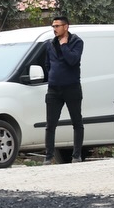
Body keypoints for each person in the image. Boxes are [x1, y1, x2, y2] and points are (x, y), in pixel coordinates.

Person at [36, 13, 85, 163]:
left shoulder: (77, 42)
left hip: (72, 87)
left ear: (66, 26)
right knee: (50, 124)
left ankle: (76, 155)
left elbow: (72, 60)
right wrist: (51, 77)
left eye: (57, 26)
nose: (54, 29)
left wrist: (64, 45)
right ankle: (48, 156)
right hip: (54, 89)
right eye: (53, 26)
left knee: (77, 121)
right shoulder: (49, 44)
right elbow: (47, 64)